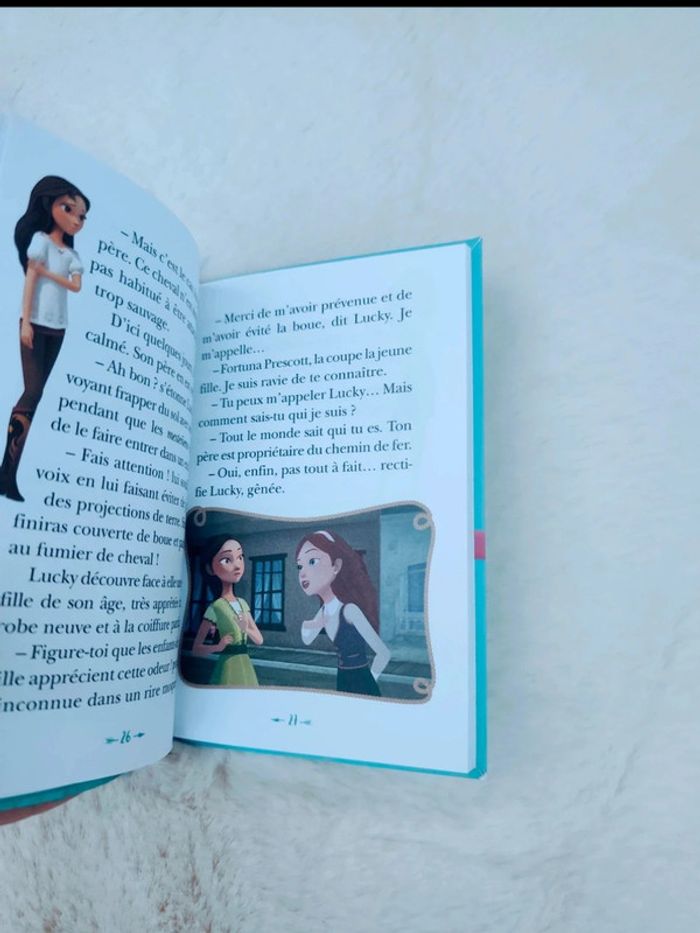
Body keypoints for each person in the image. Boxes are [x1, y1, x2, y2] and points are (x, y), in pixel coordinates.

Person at [0, 176, 89, 502]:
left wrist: (47, 273)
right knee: (32, 391)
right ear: (48, 205)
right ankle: (7, 472)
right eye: (68, 209)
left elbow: (76, 286)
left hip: (58, 329)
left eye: (81, 215)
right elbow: (30, 281)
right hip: (35, 324)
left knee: (36, 396)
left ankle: (7, 475)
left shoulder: (71, 255)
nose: (76, 219)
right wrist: (25, 323)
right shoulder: (39, 241)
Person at [296, 530, 390, 696]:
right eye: (299, 566)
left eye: (312, 561)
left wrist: (370, 680)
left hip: (362, 683)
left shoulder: (350, 610)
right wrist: (312, 623)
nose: (302, 573)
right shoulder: (324, 611)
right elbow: (307, 639)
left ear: (336, 566)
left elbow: (383, 653)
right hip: (342, 679)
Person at [191, 536, 263, 686]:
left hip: (246, 666)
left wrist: (246, 629)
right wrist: (218, 647)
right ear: (210, 569)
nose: (237, 565)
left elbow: (259, 640)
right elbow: (196, 649)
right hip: (228, 666)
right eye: (226, 560)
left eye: (240, 557)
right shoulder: (216, 607)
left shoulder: (243, 604)